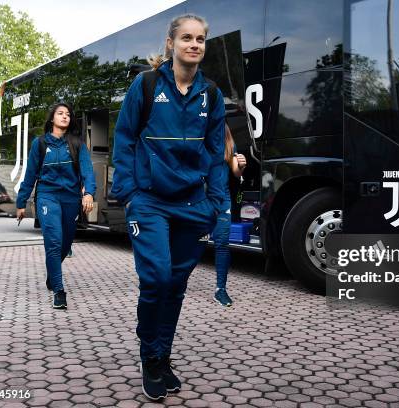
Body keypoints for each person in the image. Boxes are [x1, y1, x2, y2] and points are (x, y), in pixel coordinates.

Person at [111, 14, 225, 401]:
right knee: (158, 278)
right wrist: (128, 192)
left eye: (201, 39)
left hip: (193, 204)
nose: (194, 44)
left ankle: (161, 357)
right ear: (170, 44)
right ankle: (150, 354)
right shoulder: (144, 85)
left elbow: (215, 151)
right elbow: (124, 138)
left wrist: (215, 203)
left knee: (175, 286)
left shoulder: (210, 94)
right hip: (150, 201)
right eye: (187, 38)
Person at [16, 102, 96, 309]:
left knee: (66, 244)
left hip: (71, 199)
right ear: (52, 118)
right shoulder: (40, 143)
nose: (65, 117)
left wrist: (88, 193)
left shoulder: (77, 144)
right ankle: (59, 290)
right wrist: (21, 203)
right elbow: (30, 175)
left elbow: (87, 170)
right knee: (53, 241)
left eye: (68, 114)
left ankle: (52, 275)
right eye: (60, 114)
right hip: (47, 197)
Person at [213, 124, 247, 307]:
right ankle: (177, 282)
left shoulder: (228, 144)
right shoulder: (199, 140)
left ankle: (221, 289)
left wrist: (241, 165)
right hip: (200, 199)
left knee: (222, 243)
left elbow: (235, 172)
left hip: (223, 200)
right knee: (189, 243)